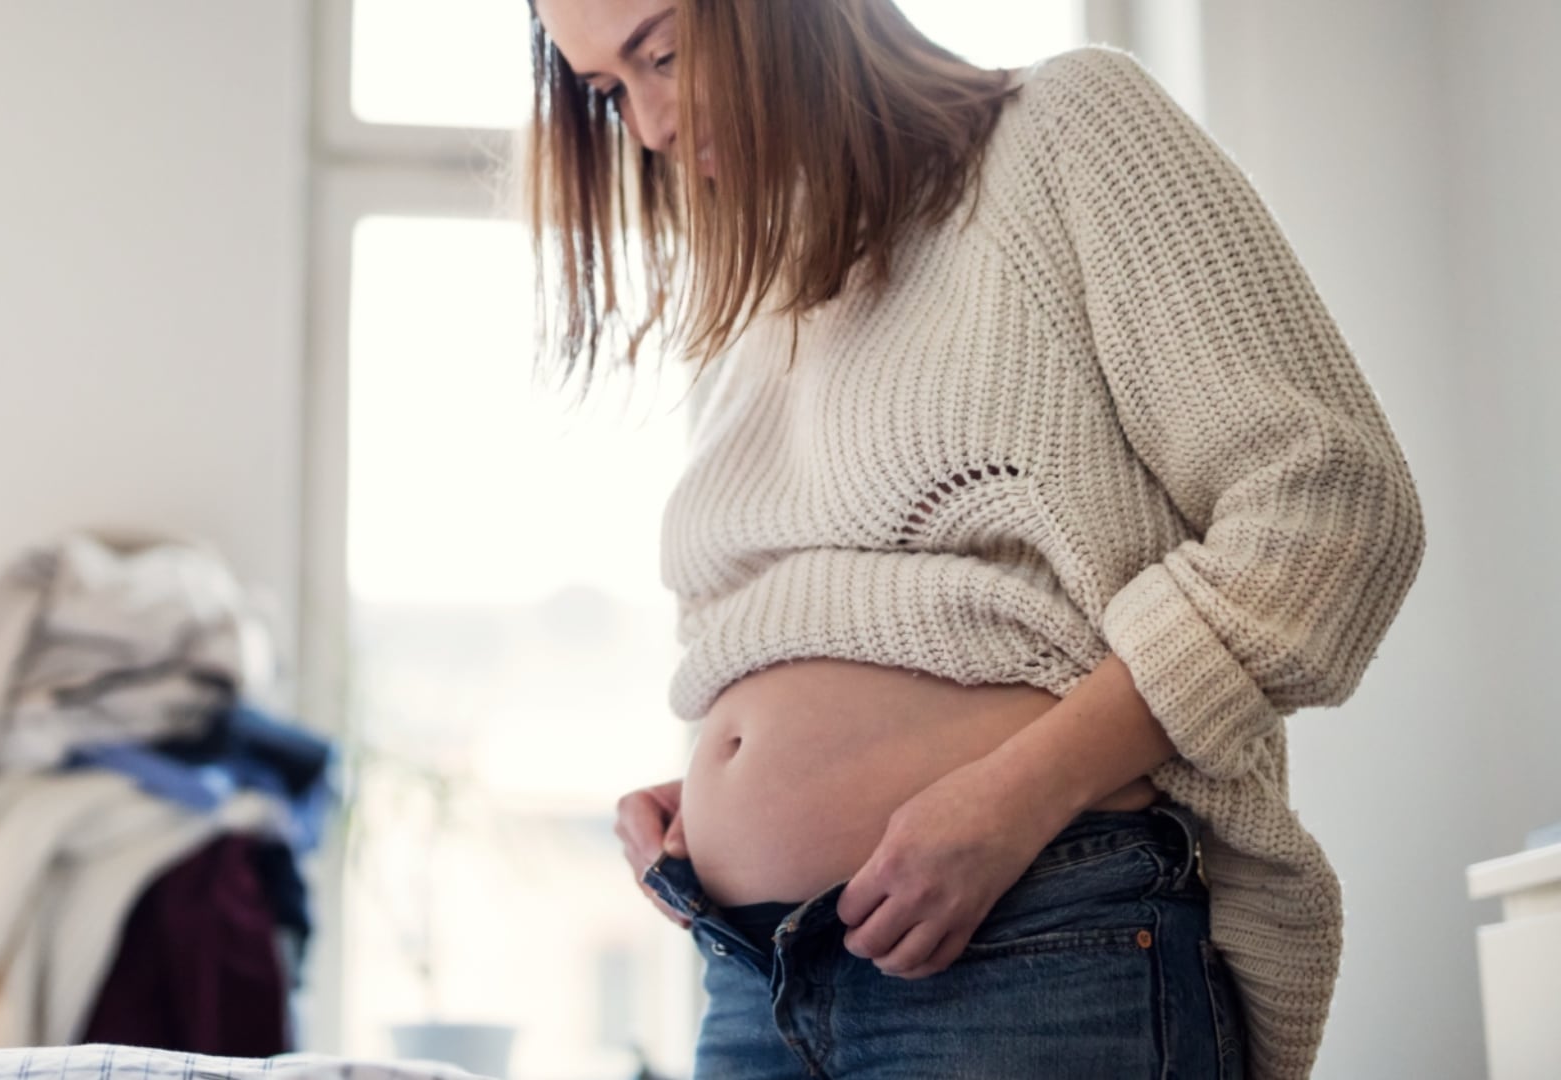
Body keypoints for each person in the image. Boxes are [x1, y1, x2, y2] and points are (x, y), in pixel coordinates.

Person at [523, 2, 1426, 1078]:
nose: (651, 126)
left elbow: (1331, 505)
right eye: (610, 93)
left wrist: (1017, 794)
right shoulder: (760, 289)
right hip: (750, 979)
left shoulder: (1066, 130)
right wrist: (709, 794)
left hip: (1031, 940)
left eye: (661, 55)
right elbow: (828, 630)